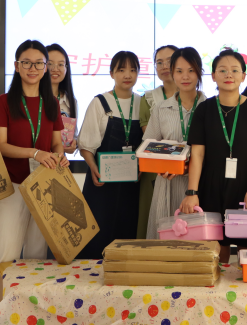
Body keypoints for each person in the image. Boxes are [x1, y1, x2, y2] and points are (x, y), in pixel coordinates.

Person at [180, 50, 247, 263]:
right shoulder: (204, 109)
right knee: (215, 254)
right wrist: (192, 192)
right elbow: (198, 153)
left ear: (243, 76)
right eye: (222, 70)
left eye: (234, 70)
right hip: (211, 189)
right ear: (213, 76)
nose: (228, 74)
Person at [0, 40, 68, 264]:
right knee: (7, 255)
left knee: (37, 255)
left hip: (43, 186)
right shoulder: (3, 102)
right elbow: (0, 145)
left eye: (39, 63)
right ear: (17, 66)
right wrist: (34, 153)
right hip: (13, 186)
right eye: (26, 63)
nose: (33, 68)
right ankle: (3, 290)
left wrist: (60, 155)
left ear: (45, 68)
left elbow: (56, 143)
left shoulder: (52, 103)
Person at [77, 51, 144, 256]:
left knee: (127, 234)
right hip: (101, 183)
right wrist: (93, 167)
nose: (127, 75)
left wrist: (142, 168)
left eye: (133, 70)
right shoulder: (100, 102)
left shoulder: (143, 103)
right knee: (97, 235)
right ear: (112, 73)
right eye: (121, 70)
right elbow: (86, 144)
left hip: (132, 184)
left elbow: (149, 142)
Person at [144, 47, 208, 239]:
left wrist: (189, 166)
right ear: (172, 73)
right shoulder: (161, 109)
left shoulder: (210, 108)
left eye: (191, 70)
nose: (185, 76)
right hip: (168, 185)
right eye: (179, 71)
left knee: (197, 241)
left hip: (200, 184)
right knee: (165, 241)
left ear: (199, 72)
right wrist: (161, 166)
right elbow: (149, 146)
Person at [137, 45, 179, 238]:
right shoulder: (148, 99)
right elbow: (153, 140)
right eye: (159, 62)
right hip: (157, 169)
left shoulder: (197, 99)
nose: (164, 66)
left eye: (169, 61)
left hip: (188, 169)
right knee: (155, 222)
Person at [47, 43, 78, 155]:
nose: (55, 69)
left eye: (60, 64)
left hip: (58, 162)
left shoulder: (71, 101)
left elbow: (73, 136)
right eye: (50, 64)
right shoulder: (32, 98)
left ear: (66, 68)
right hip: (34, 160)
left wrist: (73, 145)